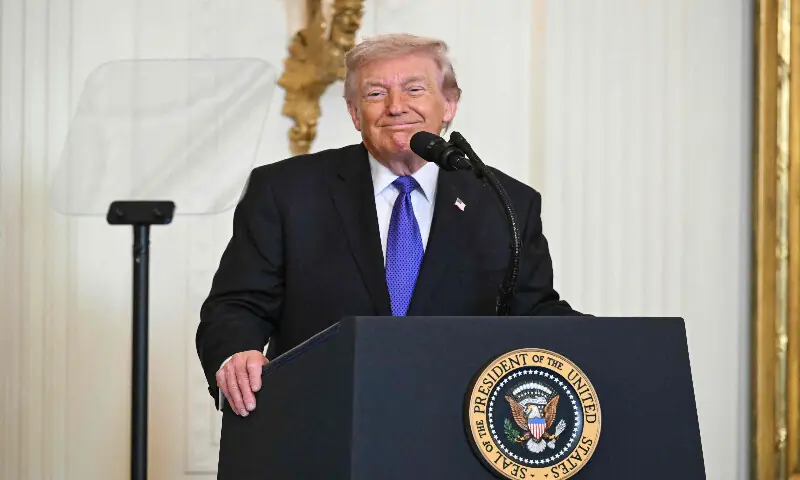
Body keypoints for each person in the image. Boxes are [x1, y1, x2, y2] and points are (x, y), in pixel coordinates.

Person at [195, 33, 581, 417]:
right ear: (354, 113)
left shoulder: (504, 201)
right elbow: (237, 305)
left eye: (414, 89)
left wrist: (615, 343)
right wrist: (236, 352)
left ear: (449, 105)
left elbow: (533, 312)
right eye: (375, 93)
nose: (396, 107)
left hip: (457, 424)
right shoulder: (286, 191)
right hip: (320, 420)